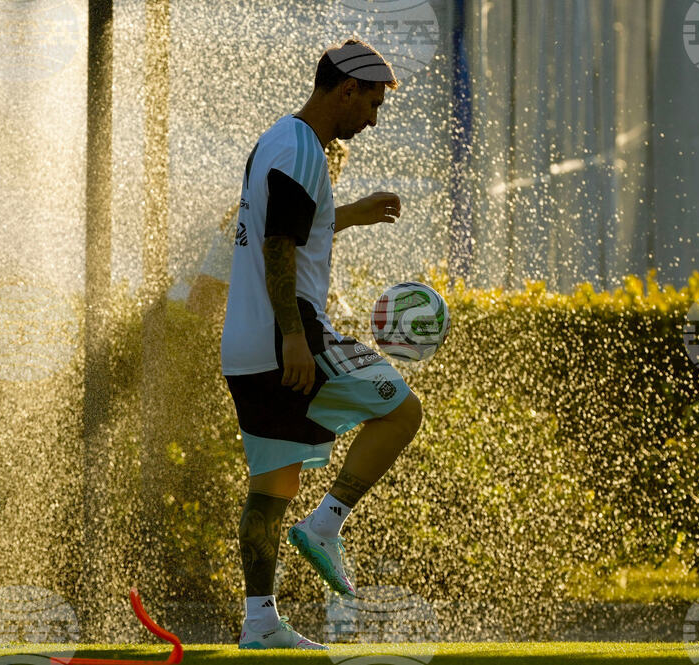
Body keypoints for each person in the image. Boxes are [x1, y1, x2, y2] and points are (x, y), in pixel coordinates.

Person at [188, 40, 423, 651]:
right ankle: (327, 524)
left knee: (271, 490)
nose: (372, 119)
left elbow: (289, 227)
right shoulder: (299, 146)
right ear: (346, 89)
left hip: (244, 349)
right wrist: (294, 336)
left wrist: (350, 214)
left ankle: (260, 621)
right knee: (401, 409)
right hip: (289, 337)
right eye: (371, 104)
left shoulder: (279, 141)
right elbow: (277, 249)